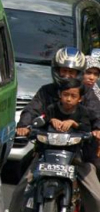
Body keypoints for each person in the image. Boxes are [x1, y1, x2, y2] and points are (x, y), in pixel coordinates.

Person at [11, 75, 100, 212]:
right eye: (64, 70)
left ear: (80, 98)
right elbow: (34, 112)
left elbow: (94, 118)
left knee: (96, 197)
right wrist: (25, 125)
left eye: (72, 71)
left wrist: (94, 129)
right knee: (20, 190)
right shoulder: (47, 95)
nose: (69, 99)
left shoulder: (86, 100)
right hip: (45, 154)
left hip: (77, 156)